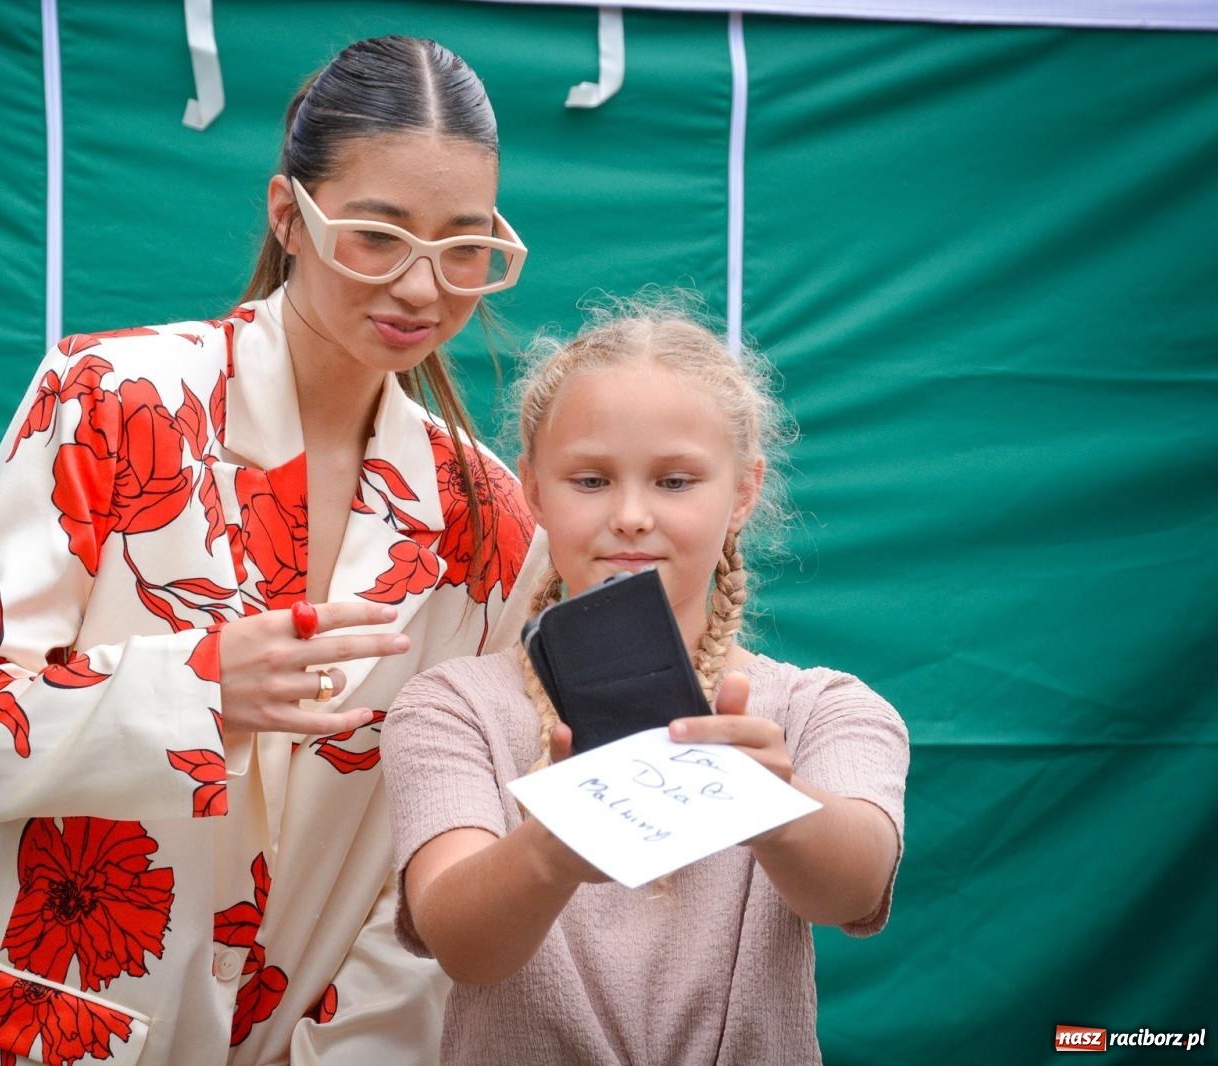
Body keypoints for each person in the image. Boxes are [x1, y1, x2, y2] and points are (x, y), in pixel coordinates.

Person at [0, 35, 535, 1066]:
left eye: (463, 247)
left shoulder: (488, 520)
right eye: (377, 235)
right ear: (288, 214)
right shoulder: (115, 397)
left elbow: (438, 848)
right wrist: (195, 690)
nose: (421, 286)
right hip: (32, 1026)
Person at [382, 297, 910, 1064]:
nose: (630, 515)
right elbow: (461, 944)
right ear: (531, 487)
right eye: (591, 480)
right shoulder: (451, 707)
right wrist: (551, 851)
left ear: (743, 492)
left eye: (674, 482)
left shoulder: (824, 708)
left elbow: (853, 887)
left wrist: (773, 806)